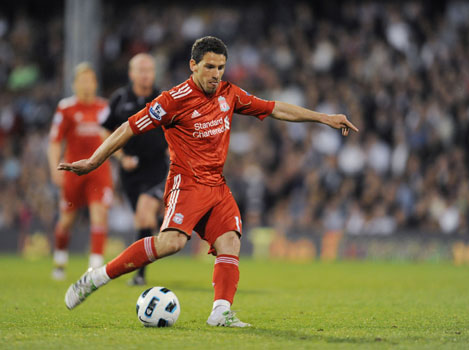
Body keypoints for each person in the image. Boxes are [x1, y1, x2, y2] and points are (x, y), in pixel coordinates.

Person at [59, 36, 358, 327]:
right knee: (172, 243)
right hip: (186, 182)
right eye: (209, 67)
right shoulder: (172, 100)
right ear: (193, 65)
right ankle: (98, 277)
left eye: (220, 67)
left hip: (217, 185)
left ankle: (220, 312)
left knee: (230, 240)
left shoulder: (230, 94)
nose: (216, 74)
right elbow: (128, 127)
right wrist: (94, 161)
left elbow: (274, 108)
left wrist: (324, 118)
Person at [100, 53, 168, 286]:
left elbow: (177, 129)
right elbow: (105, 131)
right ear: (131, 73)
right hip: (129, 171)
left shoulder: (163, 98)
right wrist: (120, 157)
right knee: (142, 219)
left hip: (158, 167)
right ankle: (161, 220)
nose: (146, 74)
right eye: (141, 70)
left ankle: (140, 275)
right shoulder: (119, 99)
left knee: (144, 211)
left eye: (149, 69)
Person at [47, 63, 113, 280]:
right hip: (73, 170)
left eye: (90, 80)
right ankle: (60, 260)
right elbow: (55, 141)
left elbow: (111, 138)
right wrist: (54, 167)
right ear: (75, 84)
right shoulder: (66, 108)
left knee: (99, 214)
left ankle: (94, 270)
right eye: (82, 80)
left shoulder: (104, 107)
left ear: (95, 84)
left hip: (99, 170)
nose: (86, 84)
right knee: (66, 219)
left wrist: (122, 157)